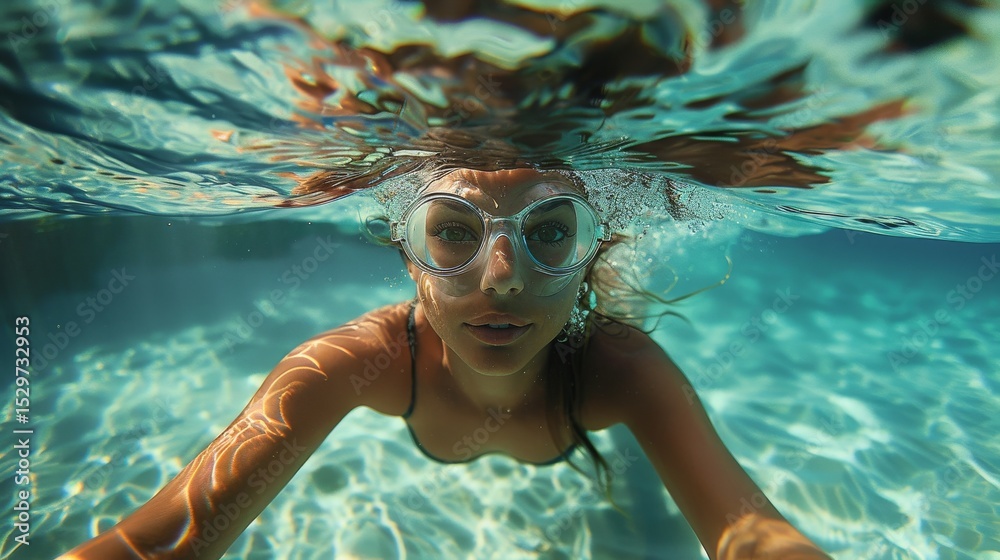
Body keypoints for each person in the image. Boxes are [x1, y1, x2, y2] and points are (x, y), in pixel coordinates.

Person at [60, 166, 832, 560]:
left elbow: (753, 530)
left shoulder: (620, 370)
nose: (502, 276)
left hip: (586, 395)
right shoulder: (356, 363)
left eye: (551, 233)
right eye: (455, 232)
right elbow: (162, 541)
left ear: (591, 247)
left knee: (637, 487)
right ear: (408, 255)